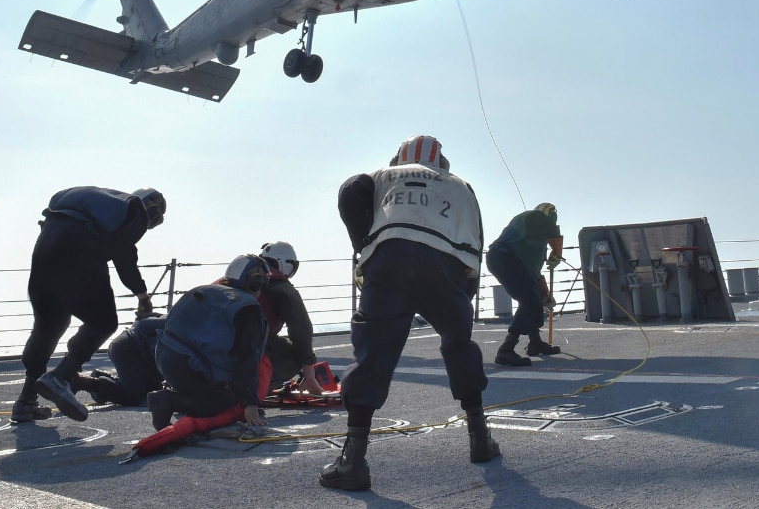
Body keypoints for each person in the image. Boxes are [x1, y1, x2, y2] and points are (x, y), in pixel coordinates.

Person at [322, 135, 499, 492]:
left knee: (374, 353)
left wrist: (364, 249)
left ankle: (353, 460)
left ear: (399, 157)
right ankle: (479, 437)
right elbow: (476, 237)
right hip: (447, 265)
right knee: (459, 346)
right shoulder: (462, 185)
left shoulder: (382, 175)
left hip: (391, 259)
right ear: (441, 162)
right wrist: (464, 297)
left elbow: (350, 190)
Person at [12, 186, 166, 423]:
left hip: (43, 254)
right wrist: (143, 296)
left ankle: (25, 400)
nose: (147, 227)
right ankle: (61, 376)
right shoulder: (134, 210)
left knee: (49, 326)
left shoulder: (98, 205)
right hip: (78, 253)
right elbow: (124, 258)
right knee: (104, 322)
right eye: (154, 222)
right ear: (152, 209)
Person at [148, 254, 271, 432]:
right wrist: (250, 403)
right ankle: (169, 400)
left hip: (163, 356)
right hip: (191, 366)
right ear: (258, 282)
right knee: (224, 405)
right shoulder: (247, 307)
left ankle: (178, 400)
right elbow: (247, 356)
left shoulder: (204, 290)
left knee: (208, 393)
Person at [485, 202, 564, 367]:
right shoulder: (534, 216)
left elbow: (535, 276)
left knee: (533, 299)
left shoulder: (537, 246)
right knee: (529, 299)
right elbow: (552, 231)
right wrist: (557, 253)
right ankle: (506, 349)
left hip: (505, 260)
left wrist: (546, 296)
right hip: (503, 257)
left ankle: (535, 342)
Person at [256, 241, 326, 395]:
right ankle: (249, 394)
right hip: (246, 348)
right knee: (292, 351)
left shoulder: (238, 278)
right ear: (286, 264)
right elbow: (301, 331)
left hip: (209, 347)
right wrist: (309, 375)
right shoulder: (281, 288)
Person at [73, 314, 166, 407]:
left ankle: (105, 379)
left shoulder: (175, 319)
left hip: (130, 345)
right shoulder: (177, 327)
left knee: (152, 392)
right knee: (135, 396)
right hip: (129, 349)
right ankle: (86, 383)